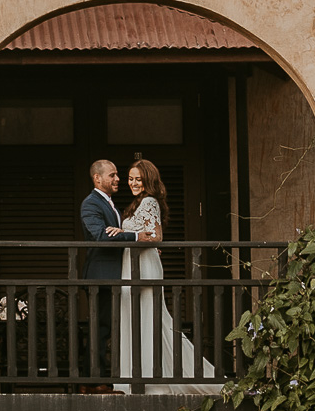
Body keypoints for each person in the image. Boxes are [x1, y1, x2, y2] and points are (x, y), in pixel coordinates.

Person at [116, 157, 216, 393]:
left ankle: (151, 382)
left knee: (149, 319)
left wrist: (124, 233)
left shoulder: (149, 202)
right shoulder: (137, 204)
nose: (133, 183)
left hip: (145, 265)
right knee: (137, 319)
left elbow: (156, 236)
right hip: (134, 263)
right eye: (130, 179)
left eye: (138, 179)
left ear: (148, 180)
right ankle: (136, 378)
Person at [77, 159, 137, 391]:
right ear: (97, 178)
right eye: (112, 175)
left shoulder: (109, 203)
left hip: (114, 275)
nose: (118, 179)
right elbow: (101, 237)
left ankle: (105, 378)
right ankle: (93, 381)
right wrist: (134, 237)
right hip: (100, 276)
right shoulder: (91, 204)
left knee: (108, 328)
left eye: (117, 175)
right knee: (99, 329)